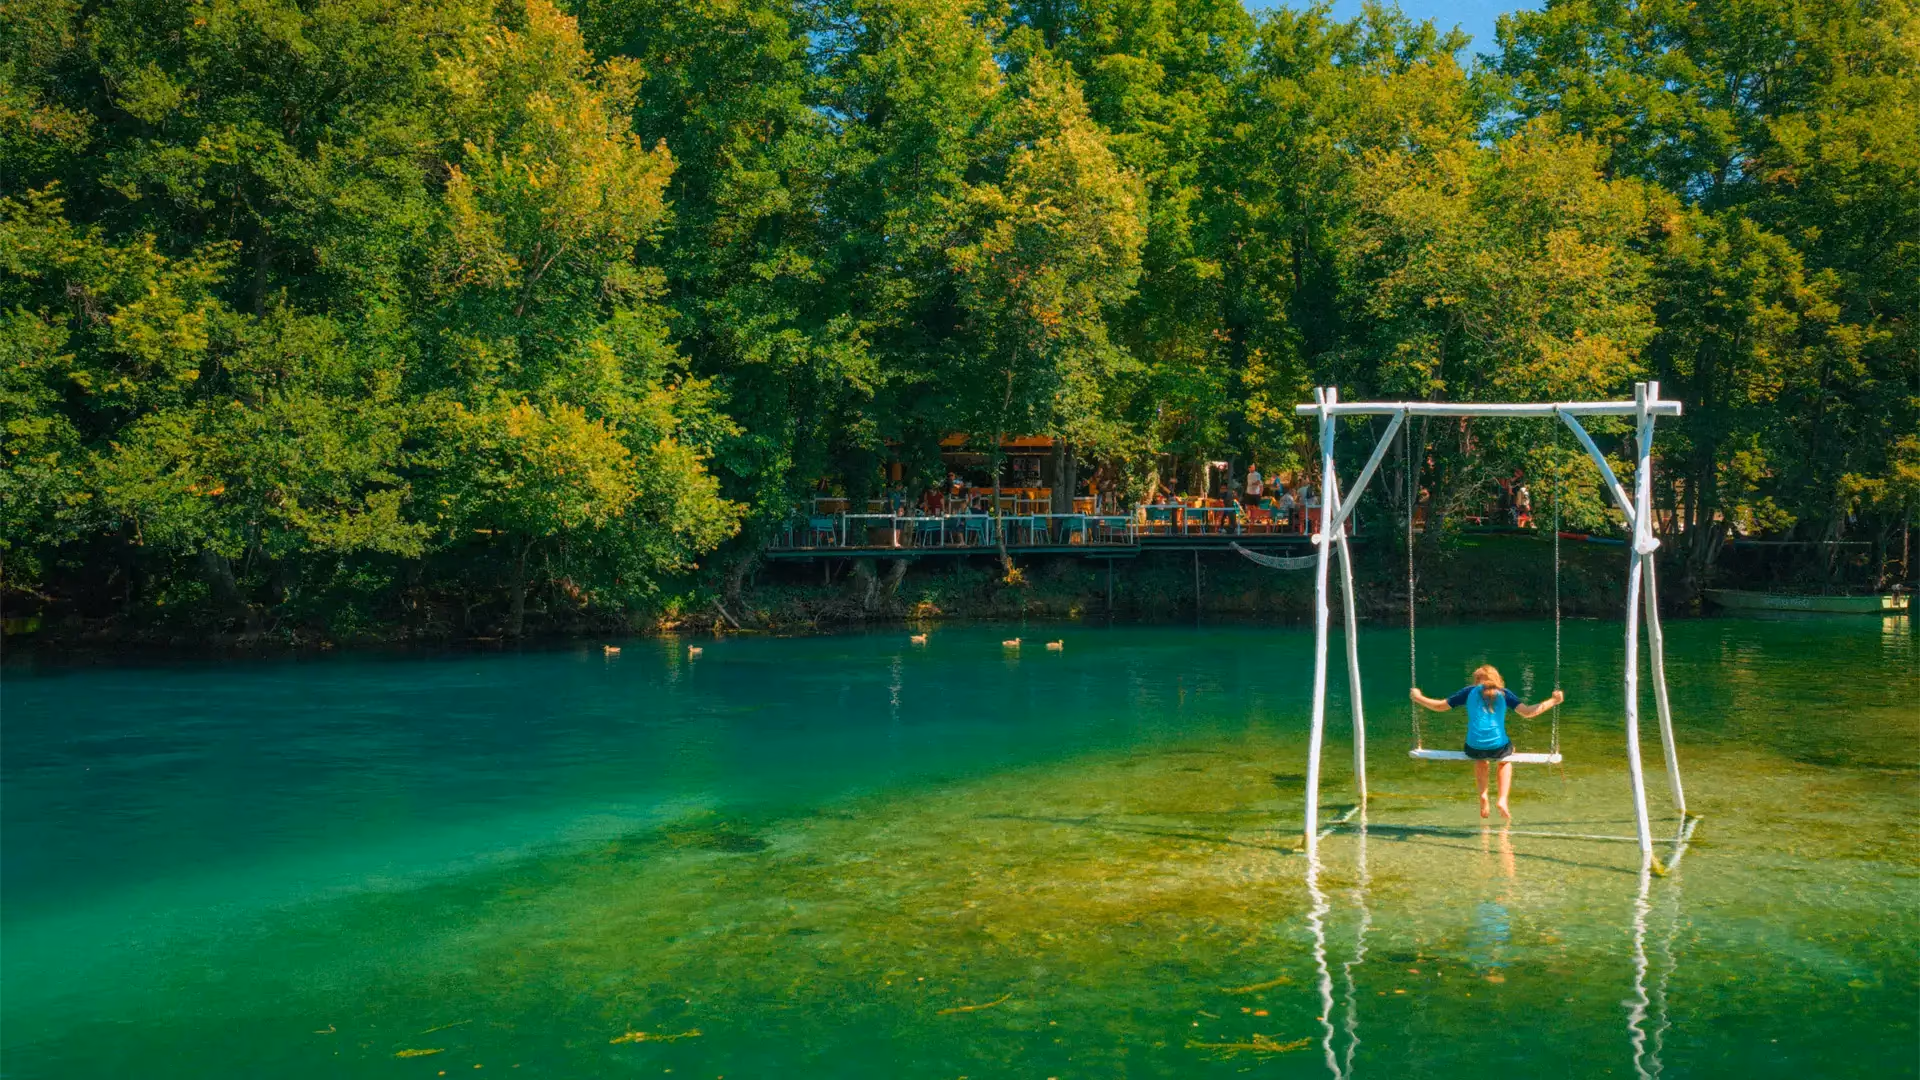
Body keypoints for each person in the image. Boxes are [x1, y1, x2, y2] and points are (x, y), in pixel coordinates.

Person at [1410, 666, 1565, 820]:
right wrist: (1554, 700)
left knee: (1480, 758)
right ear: (1497, 679)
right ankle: (1502, 799)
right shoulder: (1504, 694)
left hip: (1474, 747)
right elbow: (1529, 712)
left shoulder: (1468, 692)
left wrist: (1418, 697)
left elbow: (1439, 706)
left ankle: (1483, 795)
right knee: (1506, 759)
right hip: (1498, 747)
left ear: (1476, 680)